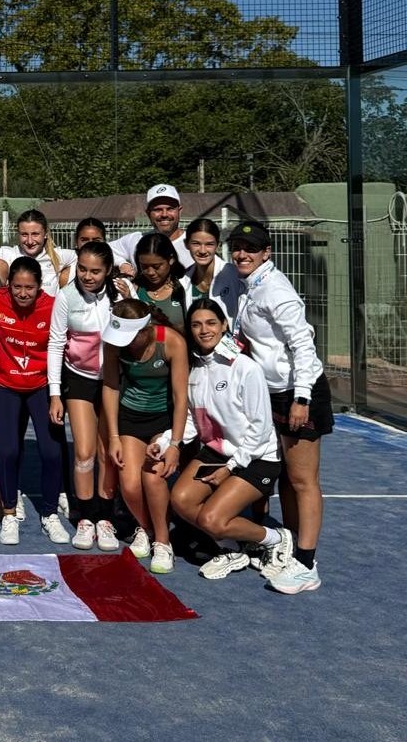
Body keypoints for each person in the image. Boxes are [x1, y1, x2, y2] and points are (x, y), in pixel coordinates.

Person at [227, 220, 332, 594]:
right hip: (271, 392)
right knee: (286, 476)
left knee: (303, 480)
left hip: (297, 392)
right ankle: (289, 546)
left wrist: (301, 397)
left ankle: (307, 564)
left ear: (266, 252)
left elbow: (303, 345)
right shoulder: (246, 284)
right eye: (237, 246)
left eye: (250, 248)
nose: (241, 253)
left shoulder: (276, 289)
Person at [168, 298, 295, 581]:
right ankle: (231, 550)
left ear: (224, 325)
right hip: (217, 453)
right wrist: (167, 441)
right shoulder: (195, 370)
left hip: (258, 457)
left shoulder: (245, 367)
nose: (204, 330)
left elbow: (261, 428)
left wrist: (231, 467)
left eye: (211, 323)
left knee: (211, 519)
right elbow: (193, 421)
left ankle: (276, 538)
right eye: (197, 325)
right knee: (180, 500)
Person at [0, 257, 71, 547]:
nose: (23, 294)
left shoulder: (53, 306)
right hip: (3, 384)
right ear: (8, 286)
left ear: (39, 287)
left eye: (29, 288)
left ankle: (49, 514)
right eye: (17, 287)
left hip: (41, 385)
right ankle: (8, 513)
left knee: (51, 451)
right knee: (8, 450)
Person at [101, 298, 189, 574]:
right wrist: (113, 436)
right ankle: (147, 528)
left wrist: (174, 442)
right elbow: (111, 387)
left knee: (152, 477)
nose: (124, 342)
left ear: (146, 329)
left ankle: (163, 542)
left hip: (162, 420)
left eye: (130, 337)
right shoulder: (115, 343)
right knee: (128, 484)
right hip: (130, 417)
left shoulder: (172, 342)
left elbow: (180, 395)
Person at [47, 240, 121, 551]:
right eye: (82, 269)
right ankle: (86, 518)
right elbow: (55, 343)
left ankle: (105, 518)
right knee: (85, 452)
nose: (88, 276)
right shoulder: (65, 296)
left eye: (95, 271)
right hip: (78, 379)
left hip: (113, 382)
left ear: (107, 271)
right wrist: (54, 393)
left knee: (107, 452)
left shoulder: (121, 294)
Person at [110, 184, 194, 273]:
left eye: (170, 209)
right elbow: (104, 250)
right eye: (157, 210)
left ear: (179, 211)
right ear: (148, 213)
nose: (164, 214)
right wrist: (122, 264)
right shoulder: (136, 240)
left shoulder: (195, 244)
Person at [0, 209, 76, 296]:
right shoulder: (6, 254)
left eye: (35, 234)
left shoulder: (59, 256)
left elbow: (83, 258)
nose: (30, 241)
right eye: (24, 234)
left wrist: (65, 280)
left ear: (46, 234)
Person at [181, 218, 240, 324]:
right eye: (196, 243)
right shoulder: (182, 279)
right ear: (186, 244)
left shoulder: (234, 275)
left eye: (209, 244)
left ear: (218, 245)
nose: (202, 251)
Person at [133, 232, 189, 330]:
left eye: (156, 266)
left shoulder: (185, 287)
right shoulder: (133, 289)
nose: (150, 272)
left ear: (171, 259)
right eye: (144, 266)